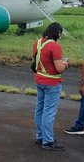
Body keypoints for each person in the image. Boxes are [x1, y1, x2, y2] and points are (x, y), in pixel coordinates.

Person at [32, 22, 68, 151]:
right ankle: (48, 140)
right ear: (58, 33)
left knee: (40, 109)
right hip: (52, 82)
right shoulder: (55, 46)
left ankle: (40, 136)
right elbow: (59, 68)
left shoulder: (37, 43)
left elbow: (34, 61)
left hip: (40, 79)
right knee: (49, 112)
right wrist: (65, 64)